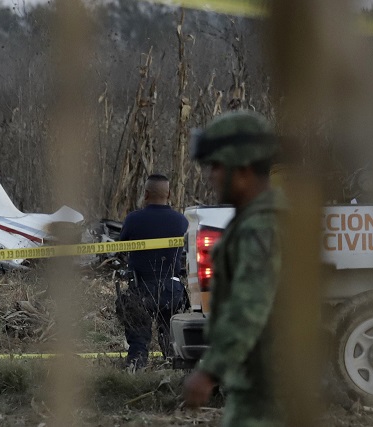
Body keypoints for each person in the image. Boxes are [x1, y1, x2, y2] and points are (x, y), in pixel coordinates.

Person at [182, 110, 285, 426]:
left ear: (242, 169)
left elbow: (248, 307)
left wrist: (209, 371)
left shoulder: (262, 226)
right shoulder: (254, 221)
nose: (211, 175)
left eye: (216, 166)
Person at [116, 174, 189, 370]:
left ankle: (135, 368)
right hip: (171, 290)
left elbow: (120, 249)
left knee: (138, 340)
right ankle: (175, 372)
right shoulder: (181, 221)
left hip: (141, 290)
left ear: (146, 194)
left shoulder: (133, 219)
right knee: (171, 338)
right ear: (169, 194)